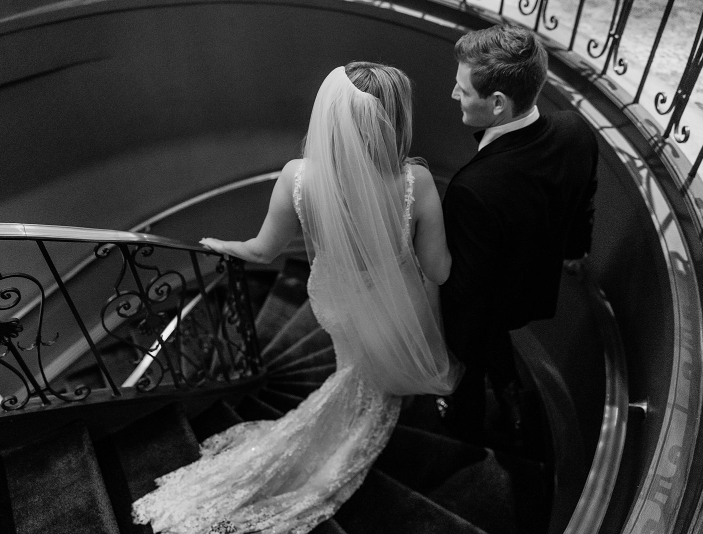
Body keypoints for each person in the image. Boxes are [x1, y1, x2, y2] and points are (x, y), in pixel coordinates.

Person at [131, 62, 463, 533]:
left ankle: (368, 392)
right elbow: (439, 270)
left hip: (337, 302)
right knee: (387, 358)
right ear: (393, 120)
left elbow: (263, 251)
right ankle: (388, 392)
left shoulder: (298, 178)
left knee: (354, 361)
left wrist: (226, 247)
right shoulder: (416, 183)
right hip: (395, 302)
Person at [440, 24, 598, 443]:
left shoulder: (473, 188)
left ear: (496, 104)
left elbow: (467, 290)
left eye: (462, 89)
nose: (453, 95)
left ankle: (467, 430)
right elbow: (584, 202)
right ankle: (510, 391)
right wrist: (575, 251)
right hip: (535, 290)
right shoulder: (576, 131)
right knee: (497, 337)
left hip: (487, 304)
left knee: (468, 363)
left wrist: (446, 336)